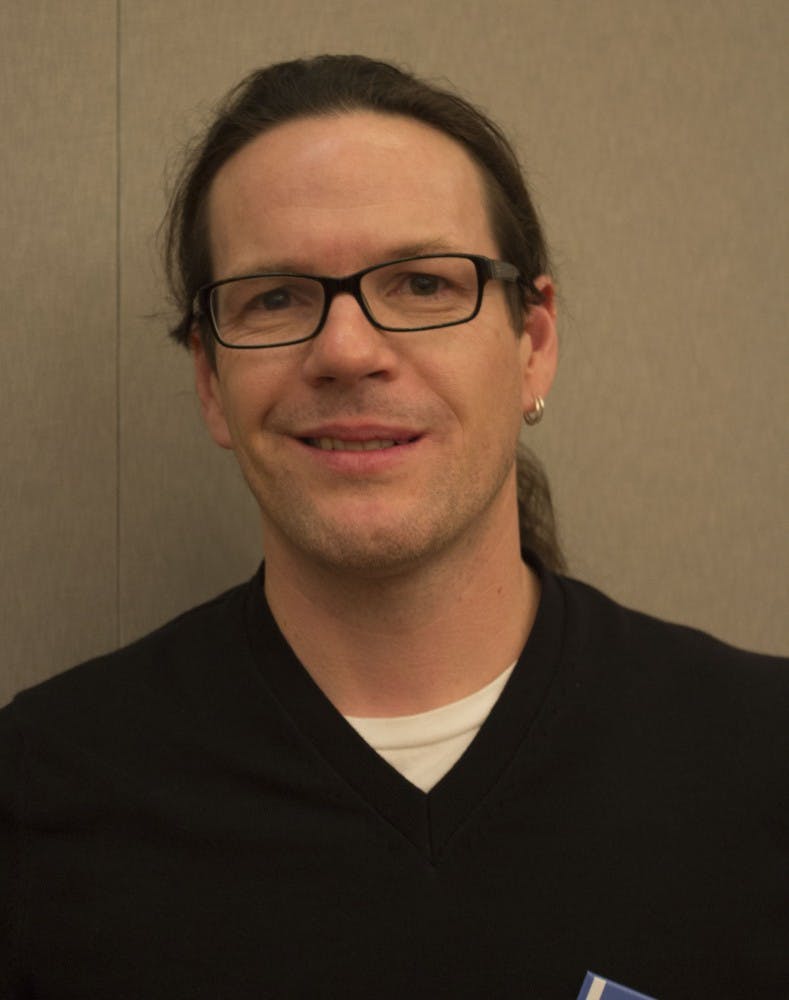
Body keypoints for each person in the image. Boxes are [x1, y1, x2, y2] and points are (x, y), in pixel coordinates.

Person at [0, 55, 786, 999]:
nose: (345, 350)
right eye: (276, 297)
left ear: (531, 345)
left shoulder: (759, 760)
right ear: (211, 383)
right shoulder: (42, 792)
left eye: (420, 284)